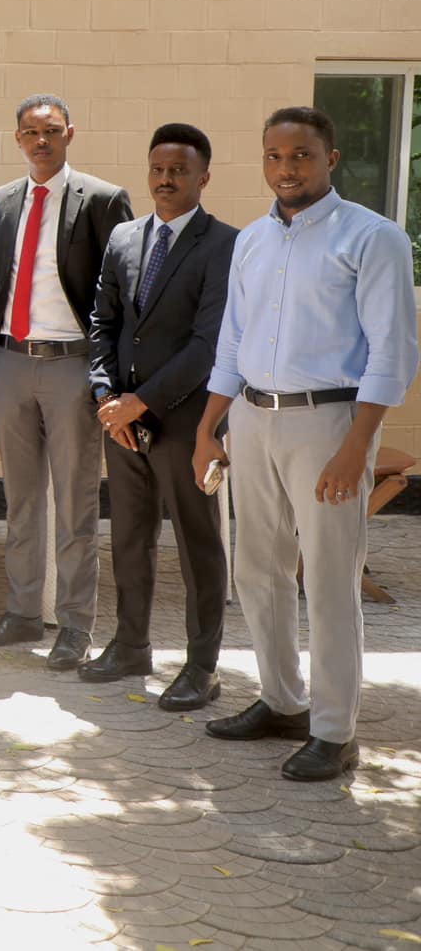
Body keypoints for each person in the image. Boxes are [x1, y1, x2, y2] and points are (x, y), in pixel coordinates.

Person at [195, 107, 419, 782]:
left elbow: (392, 353)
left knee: (327, 577)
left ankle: (334, 731)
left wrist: (357, 447)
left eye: (301, 155)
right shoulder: (253, 241)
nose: (286, 168)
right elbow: (232, 339)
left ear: (331, 159)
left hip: (329, 425)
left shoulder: (372, 238)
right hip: (252, 418)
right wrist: (208, 427)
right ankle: (282, 700)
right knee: (257, 570)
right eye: (274, 155)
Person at [81, 124, 236, 710]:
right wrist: (106, 397)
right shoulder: (124, 238)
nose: (165, 180)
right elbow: (103, 323)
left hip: (187, 421)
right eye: (157, 169)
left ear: (203, 177)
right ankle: (130, 646)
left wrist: (140, 401)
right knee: (128, 536)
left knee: (198, 545)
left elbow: (208, 344)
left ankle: (202, 667)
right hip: (121, 422)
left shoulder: (225, 244)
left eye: (178, 171)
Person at [0, 95, 132, 671]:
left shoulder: (102, 199)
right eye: (30, 132)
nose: (41, 141)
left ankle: (74, 624)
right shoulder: (1, 201)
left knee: (75, 500)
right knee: (20, 498)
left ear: (70, 133)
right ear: (17, 138)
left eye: (51, 131)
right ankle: (22, 612)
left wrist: (110, 377)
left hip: (72, 364)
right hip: (11, 362)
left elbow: (120, 291)